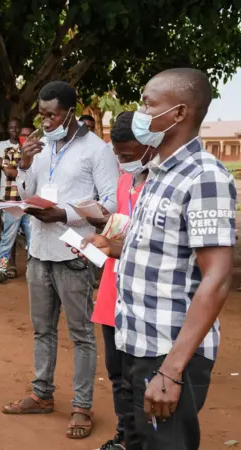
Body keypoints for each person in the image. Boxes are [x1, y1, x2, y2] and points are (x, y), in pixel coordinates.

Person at [78, 68, 236, 450]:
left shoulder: (204, 177)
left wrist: (172, 369)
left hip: (168, 352)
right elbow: (161, 250)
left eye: (148, 104)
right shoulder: (156, 175)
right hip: (136, 340)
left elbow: (217, 278)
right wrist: (110, 247)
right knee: (138, 441)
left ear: (179, 113)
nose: (141, 113)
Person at [1, 80, 119, 440]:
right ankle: (41, 394)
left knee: (81, 334)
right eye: (42, 115)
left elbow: (110, 203)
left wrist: (65, 214)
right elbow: (27, 193)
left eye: (52, 115)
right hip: (39, 251)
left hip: (74, 253)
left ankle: (82, 406)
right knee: (43, 329)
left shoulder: (97, 150)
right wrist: (24, 164)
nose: (46, 121)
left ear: (70, 113)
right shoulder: (41, 147)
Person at [85, 111, 154, 450]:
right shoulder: (126, 181)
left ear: (149, 146)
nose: (122, 161)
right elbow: (121, 225)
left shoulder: (160, 186)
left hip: (143, 292)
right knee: (116, 372)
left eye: (127, 154)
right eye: (118, 154)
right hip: (114, 286)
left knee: (139, 375)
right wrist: (103, 230)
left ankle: (141, 439)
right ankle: (124, 436)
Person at [0, 123, 33, 285]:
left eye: (29, 135)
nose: (25, 138)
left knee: (33, 240)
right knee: (7, 238)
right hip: (12, 201)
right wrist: (28, 176)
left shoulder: (40, 155)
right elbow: (9, 172)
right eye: (23, 135)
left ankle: (33, 272)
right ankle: (2, 270)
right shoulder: (10, 151)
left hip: (31, 204)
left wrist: (20, 173)